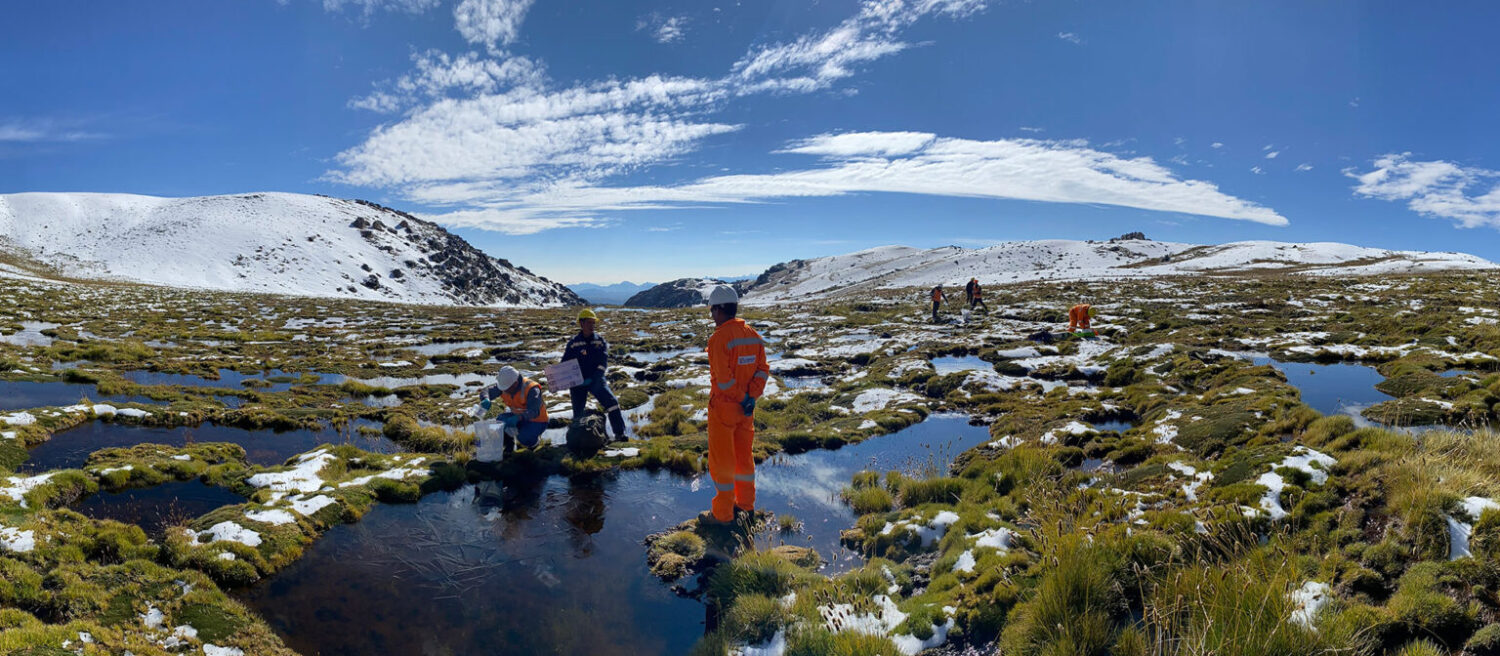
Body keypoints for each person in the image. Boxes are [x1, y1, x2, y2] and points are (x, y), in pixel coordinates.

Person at [704, 285, 770, 524]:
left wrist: (743, 398)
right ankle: (746, 506)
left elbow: (723, 382)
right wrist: (752, 397)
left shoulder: (719, 338)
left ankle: (722, 516)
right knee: (744, 459)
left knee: (723, 463)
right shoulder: (753, 335)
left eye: (712, 310)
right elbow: (763, 370)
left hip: (724, 410)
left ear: (721, 309)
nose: (712, 315)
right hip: (746, 411)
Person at [563, 308, 627, 442]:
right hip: (578, 382)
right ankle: (579, 440)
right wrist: (564, 379)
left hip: (596, 379)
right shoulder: (573, 343)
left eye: (593, 323)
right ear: (581, 323)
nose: (592, 326)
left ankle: (620, 434)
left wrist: (594, 378)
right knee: (578, 413)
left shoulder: (600, 341)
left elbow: (603, 363)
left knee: (612, 404)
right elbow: (564, 365)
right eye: (589, 323)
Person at [478, 365, 549, 452]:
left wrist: (517, 418)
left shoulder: (532, 389)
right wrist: (485, 398)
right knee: (501, 420)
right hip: (517, 417)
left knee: (524, 437)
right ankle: (509, 446)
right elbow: (487, 391)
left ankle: (534, 444)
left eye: (506, 389)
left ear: (515, 384)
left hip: (537, 421)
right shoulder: (505, 385)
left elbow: (534, 411)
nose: (504, 391)